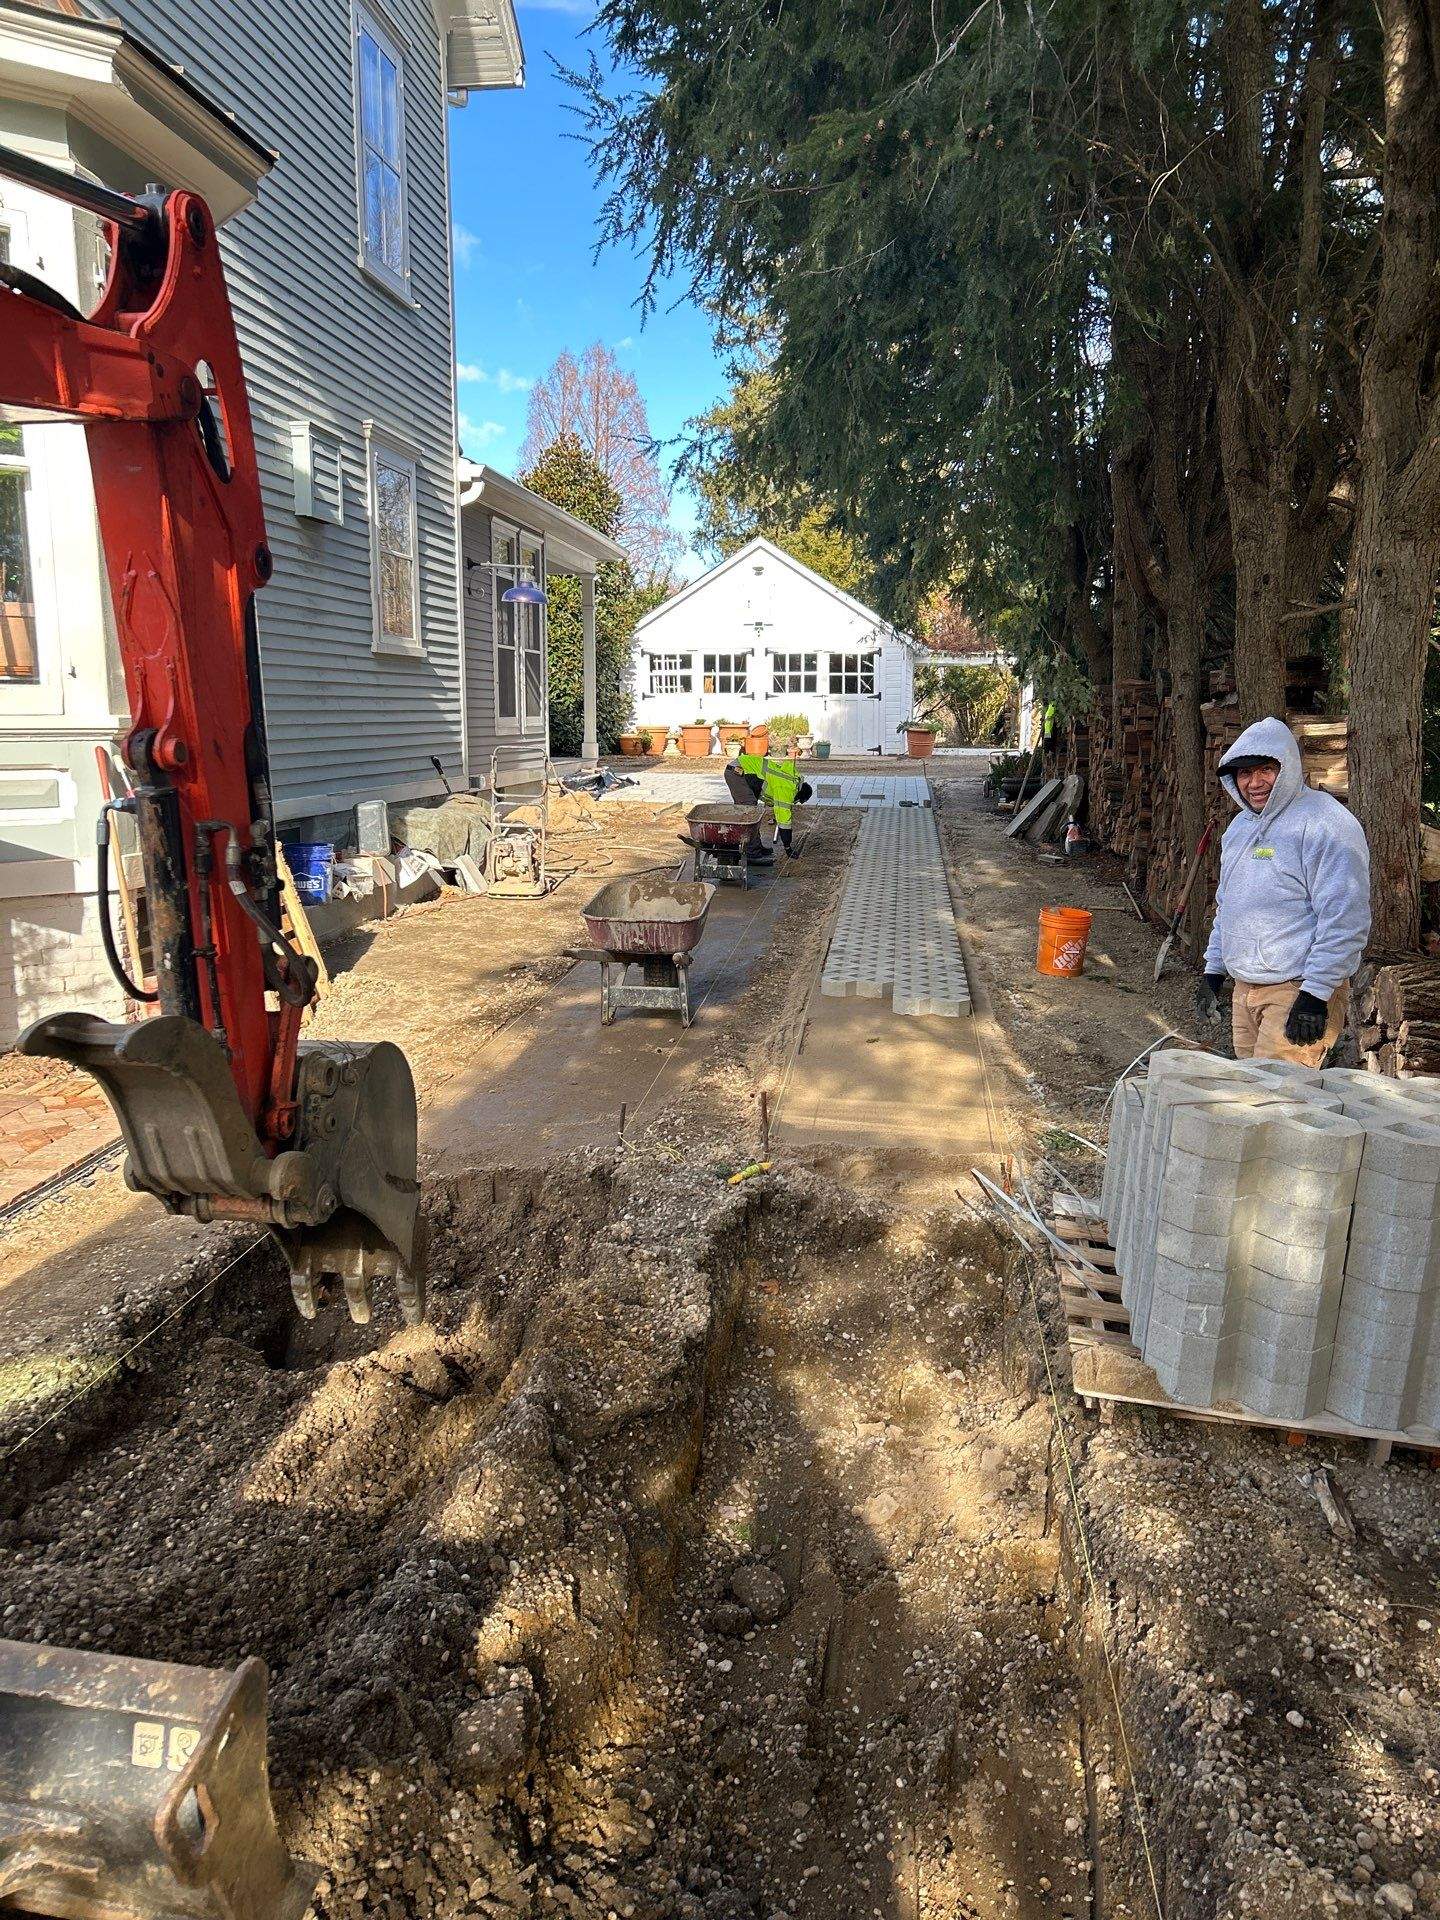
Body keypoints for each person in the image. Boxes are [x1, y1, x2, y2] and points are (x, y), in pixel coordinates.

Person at [1196, 715, 1370, 1065]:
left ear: (1287, 768)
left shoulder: (1326, 823)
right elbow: (1228, 905)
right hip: (1246, 988)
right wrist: (1213, 971)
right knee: (1248, 1095)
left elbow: (1345, 916)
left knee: (1277, 1104)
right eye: (1244, 774)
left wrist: (1316, 994)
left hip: (1298, 989)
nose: (1255, 782)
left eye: (1265, 770)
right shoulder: (1240, 829)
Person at [729, 749, 813, 855]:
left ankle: (756, 848)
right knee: (748, 814)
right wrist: (788, 848)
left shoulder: (791, 780)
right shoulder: (786, 788)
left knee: (753, 813)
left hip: (744, 769)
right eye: (797, 801)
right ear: (799, 794)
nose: (795, 803)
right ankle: (752, 854)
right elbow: (784, 820)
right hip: (737, 771)